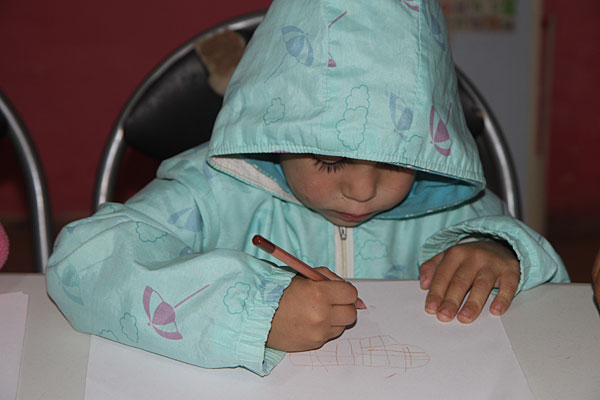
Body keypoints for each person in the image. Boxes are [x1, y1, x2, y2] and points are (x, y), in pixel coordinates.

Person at [46, 0, 569, 375]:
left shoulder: (455, 204)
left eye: (398, 161)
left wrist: (503, 252)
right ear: (277, 133)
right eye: (329, 159)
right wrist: (252, 312)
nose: (362, 190)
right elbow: (82, 263)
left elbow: (559, 307)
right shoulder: (212, 190)